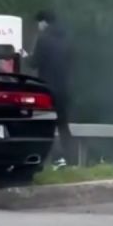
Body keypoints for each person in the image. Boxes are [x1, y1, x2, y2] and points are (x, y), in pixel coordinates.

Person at [30, 10, 73, 169]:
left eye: (39, 23)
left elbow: (34, 63)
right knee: (63, 125)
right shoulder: (66, 39)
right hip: (64, 89)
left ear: (44, 22)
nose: (38, 27)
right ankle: (71, 160)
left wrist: (24, 55)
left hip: (47, 89)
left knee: (47, 124)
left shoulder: (43, 39)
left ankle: (56, 159)